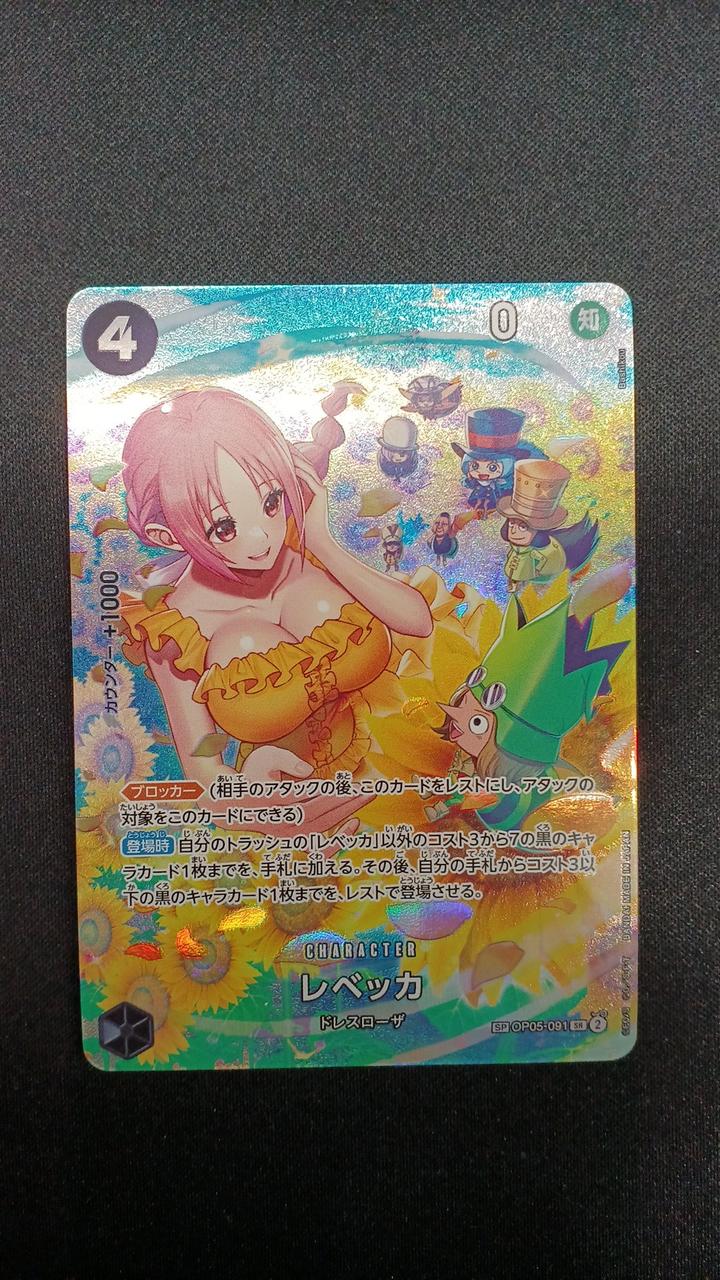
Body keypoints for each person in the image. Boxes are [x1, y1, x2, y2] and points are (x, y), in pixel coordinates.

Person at [119, 383, 433, 833]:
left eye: (270, 502)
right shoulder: (175, 631)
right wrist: (253, 803)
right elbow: (205, 779)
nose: (261, 537)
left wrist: (323, 545)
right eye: (224, 527)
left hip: (412, 757)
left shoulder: (299, 538)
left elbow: (417, 621)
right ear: (167, 536)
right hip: (304, 812)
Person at [497, 459, 598, 591]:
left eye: (523, 527)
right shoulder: (518, 548)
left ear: (538, 530)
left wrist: (538, 570)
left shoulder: (548, 553)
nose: (514, 531)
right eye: (512, 524)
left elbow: (546, 564)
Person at [452, 407, 546, 514]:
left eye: (492, 467)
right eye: (475, 466)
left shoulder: (508, 483)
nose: (482, 472)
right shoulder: (475, 480)